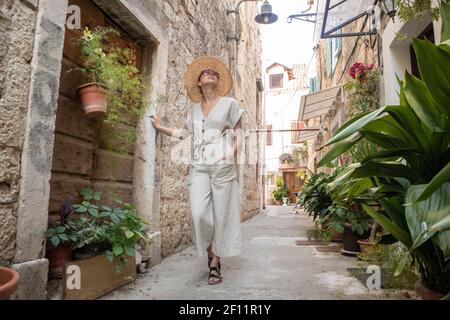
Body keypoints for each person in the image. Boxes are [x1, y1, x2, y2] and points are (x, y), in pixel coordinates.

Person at [150, 56, 246, 285]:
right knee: (198, 213)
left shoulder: (230, 104)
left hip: (222, 162)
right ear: (199, 83)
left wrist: (231, 152)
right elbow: (184, 133)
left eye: (215, 73)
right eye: (206, 73)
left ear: (218, 80)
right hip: (199, 164)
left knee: (222, 213)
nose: (211, 73)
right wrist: (159, 126)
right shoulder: (193, 109)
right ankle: (212, 250)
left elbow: (240, 131)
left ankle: (215, 263)